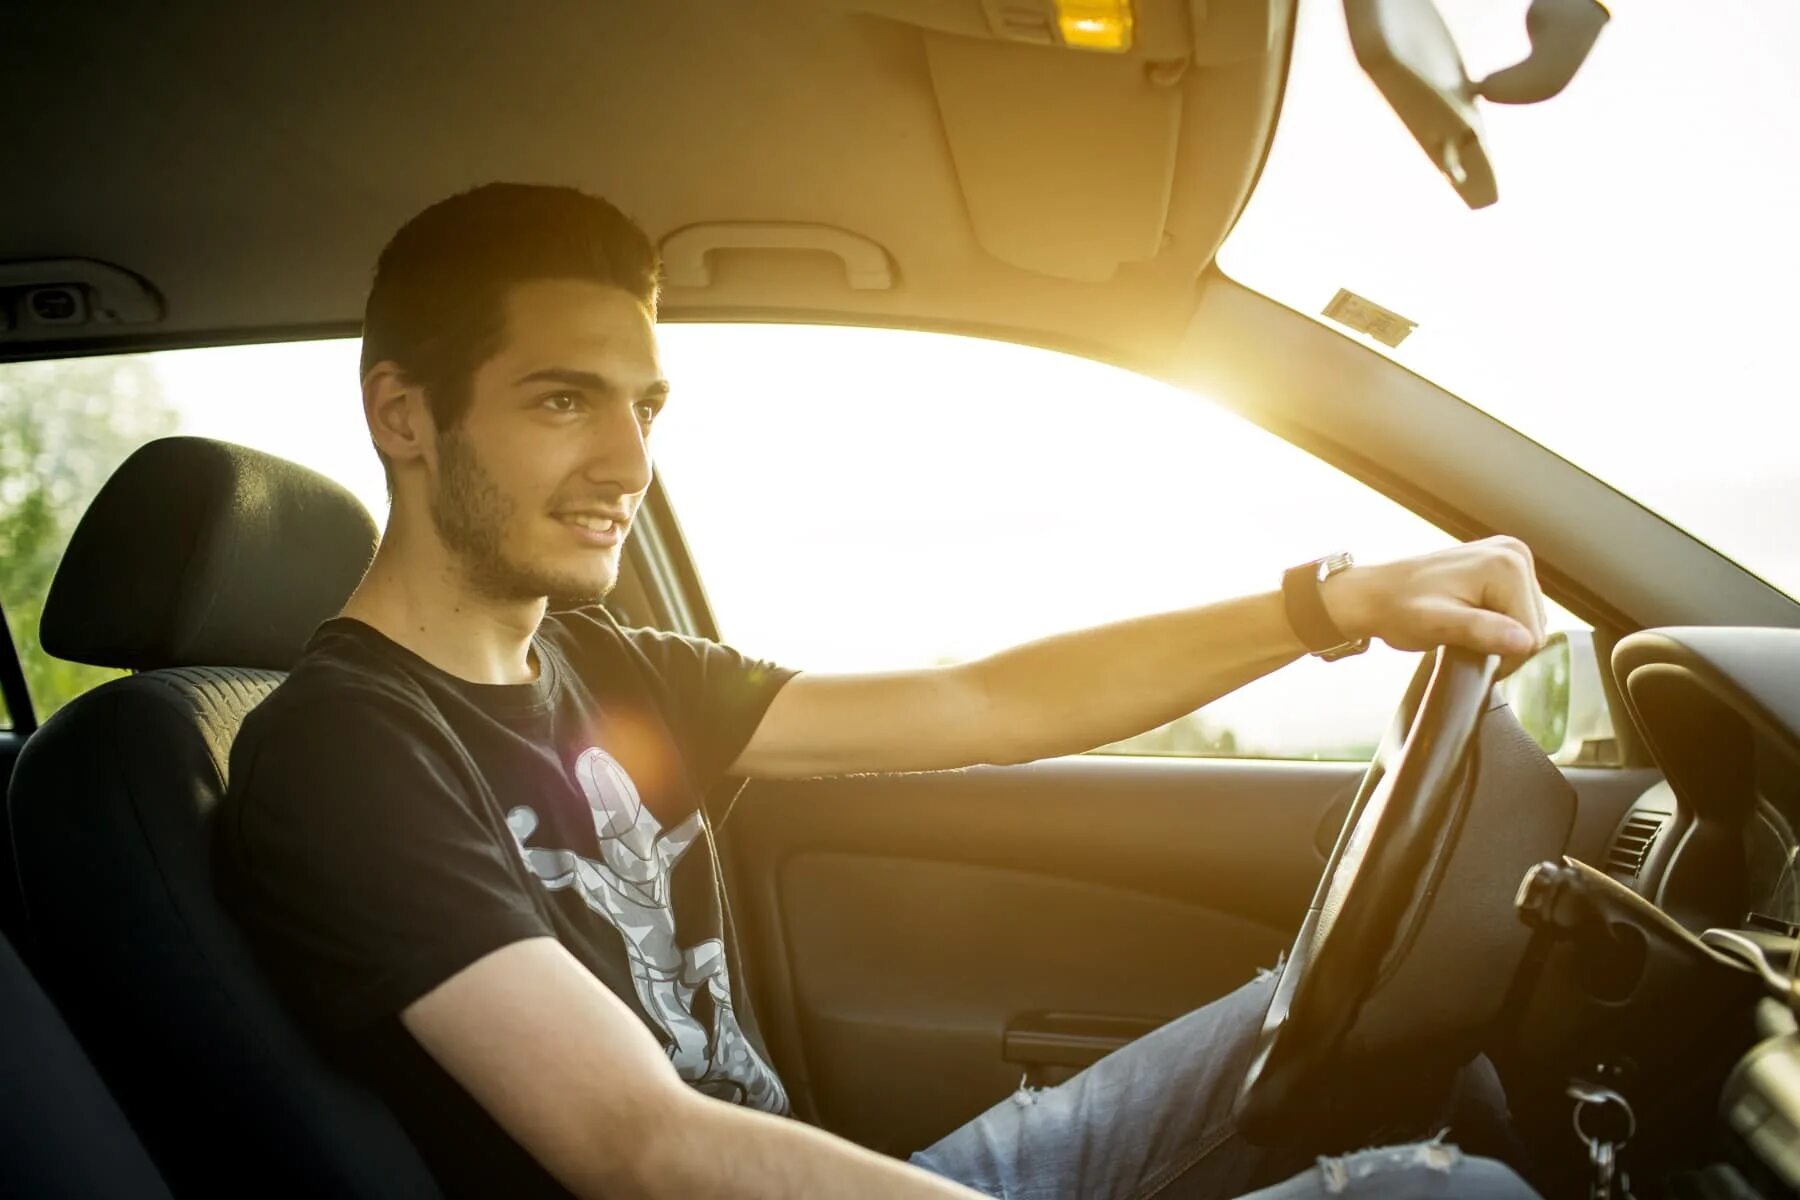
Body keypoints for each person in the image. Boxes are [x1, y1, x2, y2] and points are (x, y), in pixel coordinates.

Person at [214, 183, 1546, 1199]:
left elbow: (982, 704)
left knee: (1361, 1003)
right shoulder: (346, 754)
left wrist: (1325, 607)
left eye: (647, 405)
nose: (631, 459)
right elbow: (638, 1141)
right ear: (404, 415)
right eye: (565, 401)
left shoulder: (606, 664)